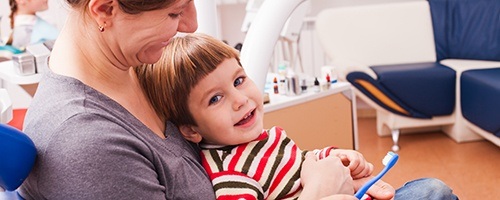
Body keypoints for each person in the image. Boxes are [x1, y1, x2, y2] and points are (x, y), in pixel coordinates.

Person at [18, 0, 362, 199]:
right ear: (105, 9)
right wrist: (322, 192)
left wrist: (322, 172)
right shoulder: (86, 144)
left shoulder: (142, 70)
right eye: (173, 12)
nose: (190, 23)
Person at [136, 33, 459, 200]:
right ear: (191, 129)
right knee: (432, 191)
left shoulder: (264, 140)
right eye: (216, 98)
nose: (240, 100)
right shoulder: (231, 174)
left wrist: (339, 160)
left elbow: (299, 166)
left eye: (238, 81)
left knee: (433, 189)